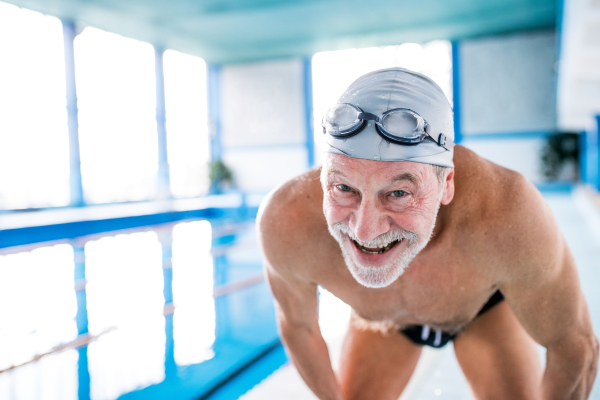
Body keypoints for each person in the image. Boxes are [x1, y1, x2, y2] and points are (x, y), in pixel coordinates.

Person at [257, 68, 598, 400]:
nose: (365, 230)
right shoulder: (286, 221)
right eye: (345, 187)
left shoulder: (508, 214)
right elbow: (299, 329)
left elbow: (575, 347)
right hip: (384, 321)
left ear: (446, 184)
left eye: (399, 193)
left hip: (482, 305)